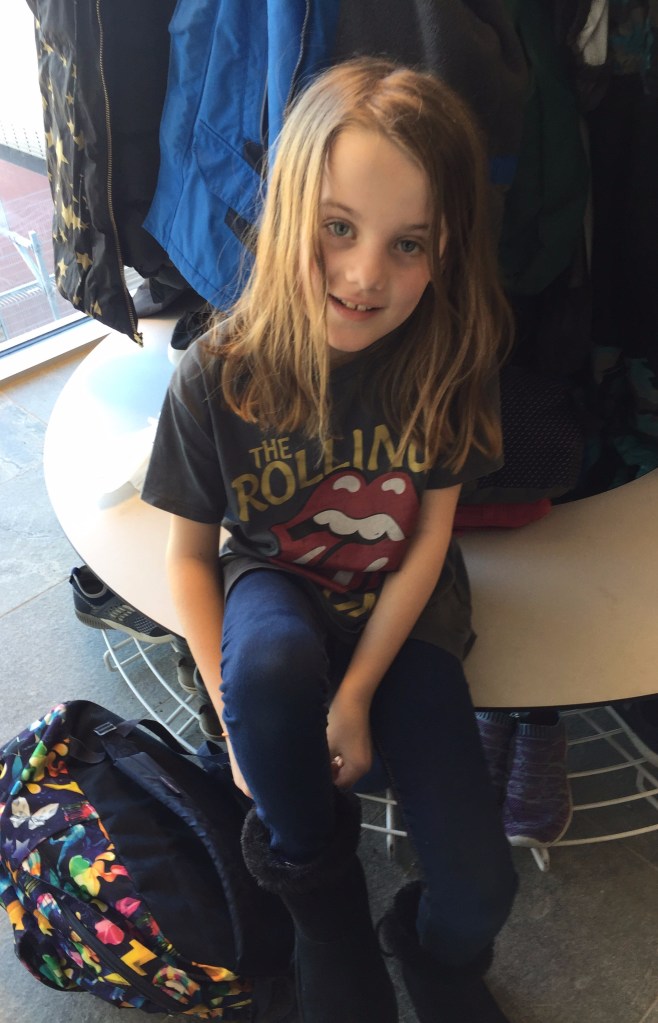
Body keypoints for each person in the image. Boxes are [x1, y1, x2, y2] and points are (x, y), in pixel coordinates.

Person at [142, 58, 518, 1023]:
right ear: (289, 214)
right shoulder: (216, 374)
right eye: (338, 228)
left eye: (408, 244)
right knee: (265, 668)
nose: (363, 276)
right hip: (279, 581)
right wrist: (233, 715)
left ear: (445, 249)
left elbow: (428, 541)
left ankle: (430, 955)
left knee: (481, 890)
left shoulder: (448, 360)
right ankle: (325, 908)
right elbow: (189, 558)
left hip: (404, 608)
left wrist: (355, 696)